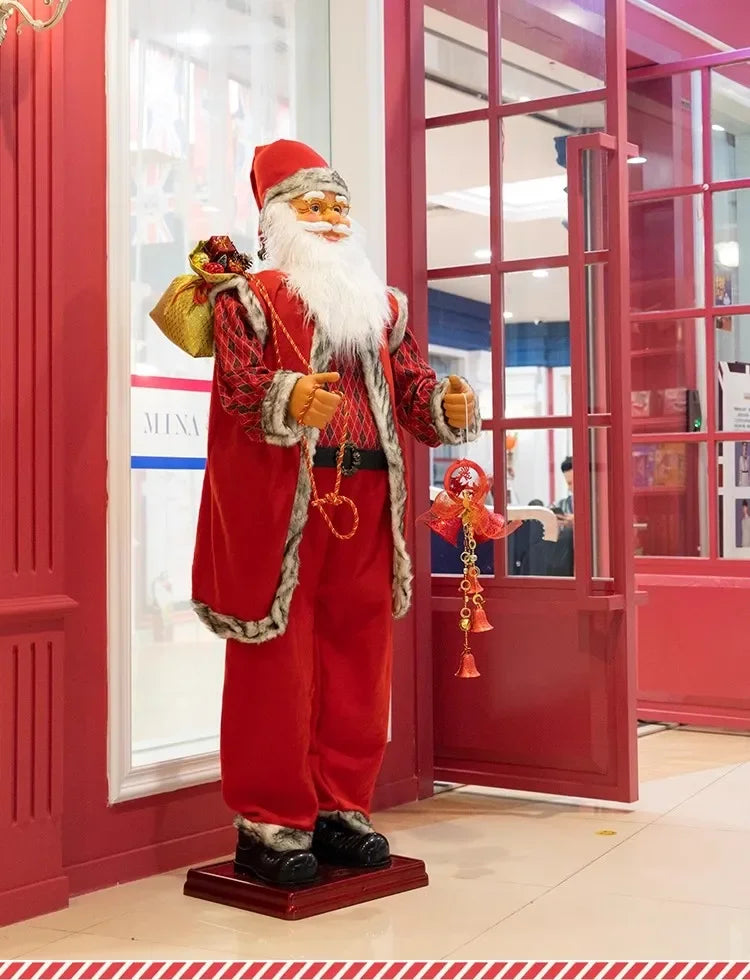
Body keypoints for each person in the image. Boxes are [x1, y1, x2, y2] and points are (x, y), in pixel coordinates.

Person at [190, 140, 480, 885]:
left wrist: (442, 403)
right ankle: (270, 820)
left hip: (370, 494)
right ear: (276, 218)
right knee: (275, 659)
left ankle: (339, 806)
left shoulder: (383, 308)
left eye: (339, 208)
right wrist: (291, 398)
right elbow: (239, 389)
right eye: (313, 207)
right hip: (287, 495)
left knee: (359, 657)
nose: (330, 221)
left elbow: (411, 390)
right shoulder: (247, 299)